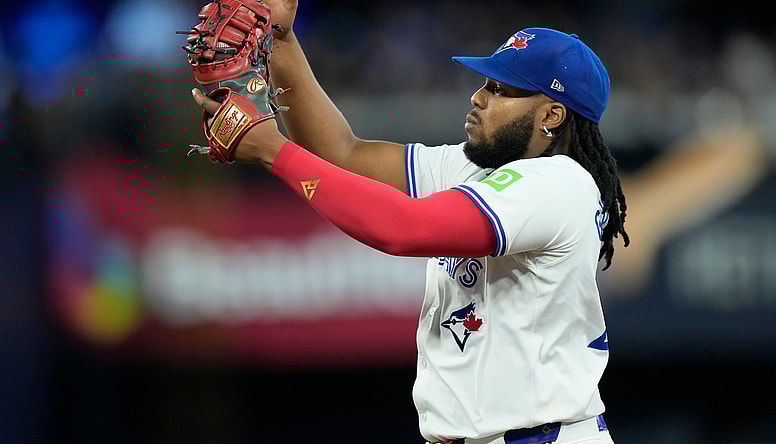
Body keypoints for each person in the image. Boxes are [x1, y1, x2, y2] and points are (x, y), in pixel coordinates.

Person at [191, 2, 629, 442]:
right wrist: (284, 41)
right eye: (485, 83)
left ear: (552, 115)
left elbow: (404, 228)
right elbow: (343, 154)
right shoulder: (478, 168)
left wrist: (273, 150)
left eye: (500, 90)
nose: (478, 97)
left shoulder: (559, 183)